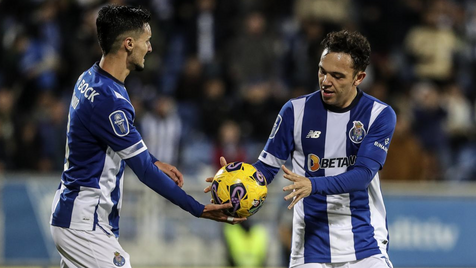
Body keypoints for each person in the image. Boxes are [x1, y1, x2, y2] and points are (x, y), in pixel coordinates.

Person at [49, 5, 245, 268]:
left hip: (74, 213)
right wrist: (197, 208)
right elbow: (143, 171)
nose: (150, 48)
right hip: (85, 223)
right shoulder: (111, 100)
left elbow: (126, 147)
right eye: (147, 41)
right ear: (129, 44)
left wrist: (154, 160)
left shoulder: (90, 78)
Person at [207, 30, 396, 268]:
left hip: (365, 243)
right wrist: (236, 182)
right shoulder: (294, 111)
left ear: (359, 78)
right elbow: (266, 169)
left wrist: (312, 185)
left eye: (337, 76)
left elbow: (363, 175)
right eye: (322, 71)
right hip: (310, 248)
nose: (326, 81)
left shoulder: (379, 114)